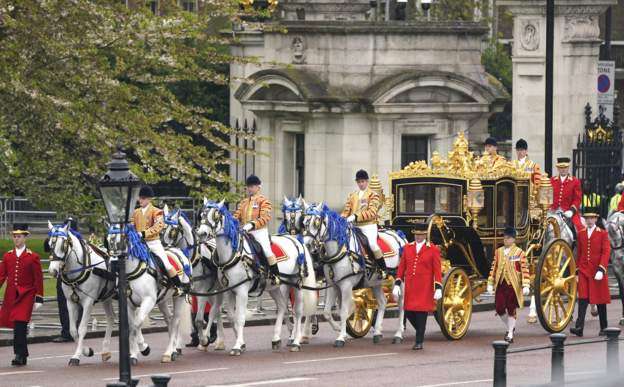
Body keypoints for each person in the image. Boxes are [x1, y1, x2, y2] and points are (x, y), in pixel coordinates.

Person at [392, 224, 442, 350]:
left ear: (425, 235)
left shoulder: (433, 249)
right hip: (410, 285)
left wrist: (438, 287)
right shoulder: (407, 248)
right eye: (416, 234)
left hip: (424, 286)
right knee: (408, 311)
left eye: (421, 235)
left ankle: (419, 341)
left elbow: (437, 270)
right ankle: (421, 331)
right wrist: (397, 283)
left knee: (421, 313)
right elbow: (402, 267)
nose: (418, 237)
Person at [0, 224, 44, 366]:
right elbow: (1, 276)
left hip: (26, 295)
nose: (16, 239)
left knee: (20, 325)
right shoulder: (8, 256)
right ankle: (22, 354)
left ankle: (19, 354)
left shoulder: (33, 257)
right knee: (15, 325)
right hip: (11, 296)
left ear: (25, 237)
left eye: (19, 236)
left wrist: (39, 297)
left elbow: (38, 278)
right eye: (14, 236)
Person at [131, 185, 188, 295]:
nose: (140, 200)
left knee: (166, 264)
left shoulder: (156, 211)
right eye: (140, 198)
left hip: (153, 243)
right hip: (139, 244)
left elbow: (158, 226)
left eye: (143, 198)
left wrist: (143, 233)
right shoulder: (135, 212)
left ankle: (178, 286)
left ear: (149, 199)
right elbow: (131, 224)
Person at [570, 208, 611, 337]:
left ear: (596, 219)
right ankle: (579, 327)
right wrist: (577, 271)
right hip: (584, 270)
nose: (589, 220)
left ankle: (604, 327)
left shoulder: (603, 233)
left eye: (591, 218)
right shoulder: (581, 233)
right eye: (587, 218)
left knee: (600, 299)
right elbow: (579, 253)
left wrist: (602, 268)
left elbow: (606, 252)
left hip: (597, 270)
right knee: (582, 298)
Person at [233, 175, 279, 285]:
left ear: (258, 187)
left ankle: (275, 275)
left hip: (259, 231)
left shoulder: (264, 201)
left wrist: (252, 224)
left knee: (267, 250)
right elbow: (236, 216)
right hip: (245, 232)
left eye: (252, 186)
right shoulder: (243, 202)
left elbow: (265, 217)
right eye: (248, 186)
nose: (249, 188)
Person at [487, 227, 530, 343]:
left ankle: (510, 333)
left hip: (513, 285)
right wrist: (490, 282)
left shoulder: (520, 253)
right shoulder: (498, 252)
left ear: (513, 239)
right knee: (499, 308)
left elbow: (524, 269)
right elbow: (494, 267)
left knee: (511, 309)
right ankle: (510, 326)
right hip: (501, 284)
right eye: (505, 238)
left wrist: (526, 284)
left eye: (508, 238)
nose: (505, 240)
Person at [341, 169, 387, 278]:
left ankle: (383, 269)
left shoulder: (373, 195)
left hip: (369, 226)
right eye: (359, 182)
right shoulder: (352, 195)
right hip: (354, 226)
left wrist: (356, 216)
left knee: (372, 244)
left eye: (363, 181)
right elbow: (346, 211)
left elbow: (372, 212)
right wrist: (341, 219)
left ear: (367, 181)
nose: (361, 184)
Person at [51, 217, 80, 343]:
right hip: (63, 276)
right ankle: (66, 331)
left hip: (76, 278)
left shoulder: (77, 240)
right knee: (63, 304)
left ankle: (73, 330)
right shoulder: (60, 238)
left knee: (76, 305)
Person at [550, 157, 583, 232]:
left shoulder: (575, 181)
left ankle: (576, 243)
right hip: (553, 211)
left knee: (579, 228)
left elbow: (577, 199)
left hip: (568, 212)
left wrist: (571, 211)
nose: (563, 169)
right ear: (558, 168)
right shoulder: (552, 180)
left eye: (565, 167)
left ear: (568, 168)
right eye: (561, 167)